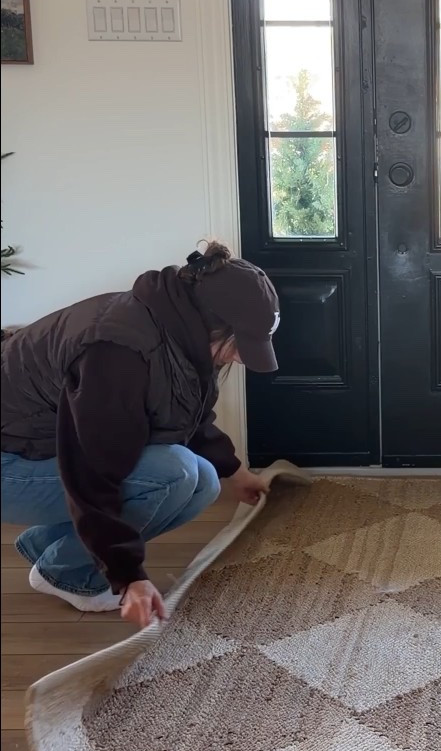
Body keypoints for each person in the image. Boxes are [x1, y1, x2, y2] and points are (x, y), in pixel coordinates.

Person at [1, 241, 279, 630]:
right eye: (238, 346)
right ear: (211, 325)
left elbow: (188, 414)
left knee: (204, 482)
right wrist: (128, 576)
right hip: (10, 461)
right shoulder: (118, 351)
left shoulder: (175, 328)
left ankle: (49, 547)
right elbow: (92, 473)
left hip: (40, 450)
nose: (239, 358)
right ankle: (66, 574)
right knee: (176, 472)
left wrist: (235, 472)